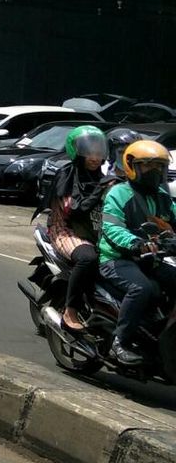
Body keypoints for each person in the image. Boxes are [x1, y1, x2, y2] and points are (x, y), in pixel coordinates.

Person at [98, 140, 176, 365]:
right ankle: (119, 342)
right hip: (117, 258)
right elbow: (112, 227)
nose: (155, 171)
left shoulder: (161, 194)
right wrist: (135, 243)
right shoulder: (118, 193)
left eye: (159, 167)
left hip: (153, 258)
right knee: (141, 289)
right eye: (148, 166)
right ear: (132, 166)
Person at [42, 126, 109, 331]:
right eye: (89, 152)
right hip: (65, 229)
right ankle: (70, 310)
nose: (94, 157)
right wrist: (100, 190)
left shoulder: (105, 177)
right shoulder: (67, 175)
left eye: (98, 152)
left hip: (97, 230)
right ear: (77, 151)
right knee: (88, 258)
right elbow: (74, 211)